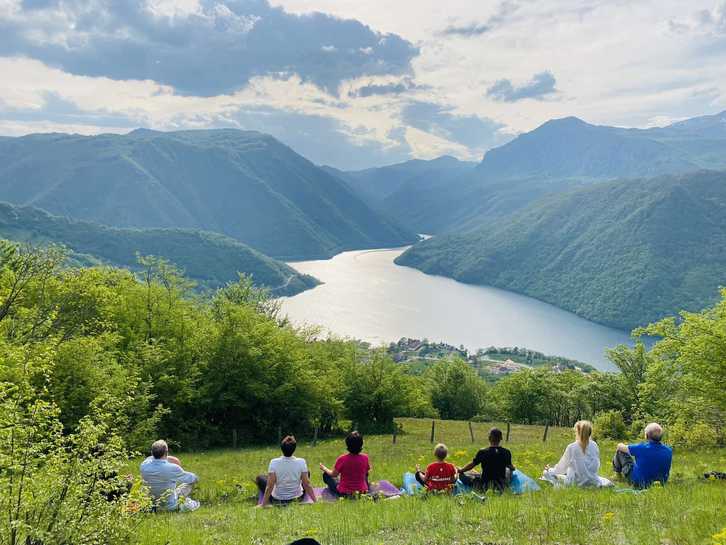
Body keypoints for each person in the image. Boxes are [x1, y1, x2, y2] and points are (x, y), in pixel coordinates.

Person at [542, 420, 607, 487]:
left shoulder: (572, 447)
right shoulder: (594, 445)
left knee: (546, 473)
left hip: (575, 483)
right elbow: (596, 465)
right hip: (593, 481)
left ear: (578, 433)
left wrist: (549, 470)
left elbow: (560, 469)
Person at [256, 435, 317, 507]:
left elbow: (269, 486)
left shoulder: (274, 462)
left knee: (260, 478)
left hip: (277, 499)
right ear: (294, 449)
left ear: (281, 448)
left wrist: (263, 504)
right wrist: (315, 501)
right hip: (297, 499)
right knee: (306, 473)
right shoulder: (301, 462)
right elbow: (307, 484)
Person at [140, 439, 200, 511]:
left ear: (152, 453)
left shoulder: (144, 465)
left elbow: (150, 458)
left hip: (151, 505)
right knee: (191, 482)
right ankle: (187, 500)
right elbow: (193, 478)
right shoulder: (172, 468)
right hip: (169, 506)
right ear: (166, 452)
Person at [613, 422, 672, 488]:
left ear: (646, 436)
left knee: (620, 451)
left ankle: (618, 475)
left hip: (639, 482)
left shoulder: (641, 448)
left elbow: (620, 447)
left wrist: (620, 443)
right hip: (661, 482)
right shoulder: (669, 450)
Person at [458, 427, 514, 493]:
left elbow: (472, 465)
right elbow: (510, 467)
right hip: (501, 485)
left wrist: (461, 470)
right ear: (501, 438)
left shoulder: (483, 452)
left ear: (489, 438)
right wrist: (512, 467)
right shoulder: (506, 452)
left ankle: (478, 482)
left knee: (462, 476)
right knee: (508, 470)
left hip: (484, 485)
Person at [319, 431, 370, 497]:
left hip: (345, 492)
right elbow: (366, 472)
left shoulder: (342, 459)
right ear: (361, 444)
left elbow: (333, 474)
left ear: (347, 444)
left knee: (326, 475)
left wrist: (324, 468)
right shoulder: (365, 458)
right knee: (365, 474)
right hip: (362, 491)